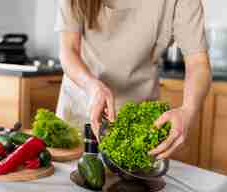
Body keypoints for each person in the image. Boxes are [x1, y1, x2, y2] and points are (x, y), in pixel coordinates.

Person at [55, 0, 212, 159]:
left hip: (140, 120)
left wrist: (188, 110)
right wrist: (92, 87)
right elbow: (69, 50)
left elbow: (198, 63)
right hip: (84, 102)